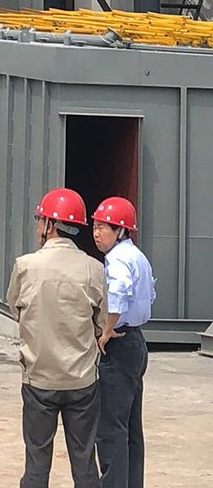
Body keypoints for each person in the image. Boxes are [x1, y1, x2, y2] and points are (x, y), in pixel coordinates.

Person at [7, 188, 107, 488]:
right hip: (82, 381)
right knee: (85, 463)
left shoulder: (25, 266)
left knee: (37, 464)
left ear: (49, 225)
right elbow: (102, 324)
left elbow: (15, 310)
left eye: (39, 219)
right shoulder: (94, 269)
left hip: (39, 379)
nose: (38, 225)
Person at [92, 198, 155, 488]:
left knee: (110, 427)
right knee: (131, 426)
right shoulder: (138, 256)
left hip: (118, 343)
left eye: (103, 228)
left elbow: (117, 294)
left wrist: (107, 330)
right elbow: (150, 295)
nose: (96, 234)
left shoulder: (116, 259)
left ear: (121, 231)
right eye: (95, 227)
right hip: (136, 341)